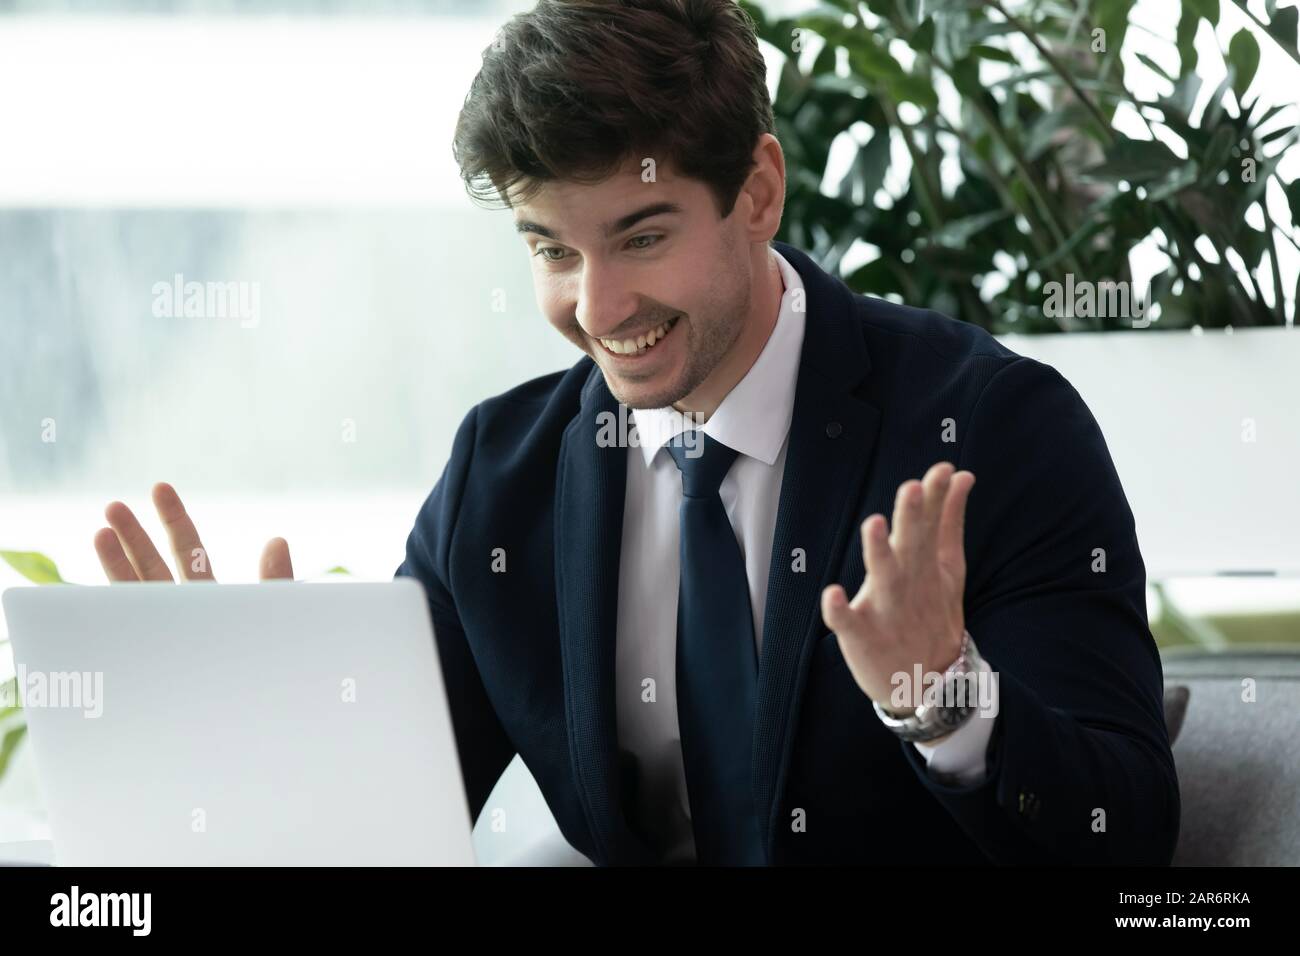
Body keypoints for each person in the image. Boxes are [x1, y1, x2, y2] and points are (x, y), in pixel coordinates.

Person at [94, 0, 1179, 866]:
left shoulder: (993, 427)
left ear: (756, 192)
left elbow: (1125, 832)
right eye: (550, 250)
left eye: (640, 235)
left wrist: (943, 695)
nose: (598, 306)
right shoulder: (500, 478)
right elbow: (391, 818)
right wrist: (223, 724)